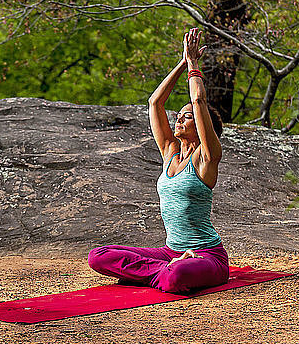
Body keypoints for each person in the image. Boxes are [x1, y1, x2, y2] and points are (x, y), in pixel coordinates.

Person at [87, 28, 228, 294]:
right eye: (180, 115)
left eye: (186, 117)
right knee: (99, 255)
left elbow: (198, 100)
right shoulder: (170, 152)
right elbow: (155, 103)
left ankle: (164, 271)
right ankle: (165, 270)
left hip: (207, 257)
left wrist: (194, 67)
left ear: (200, 125)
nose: (179, 118)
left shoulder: (207, 158)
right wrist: (183, 62)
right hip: (170, 252)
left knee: (177, 277)